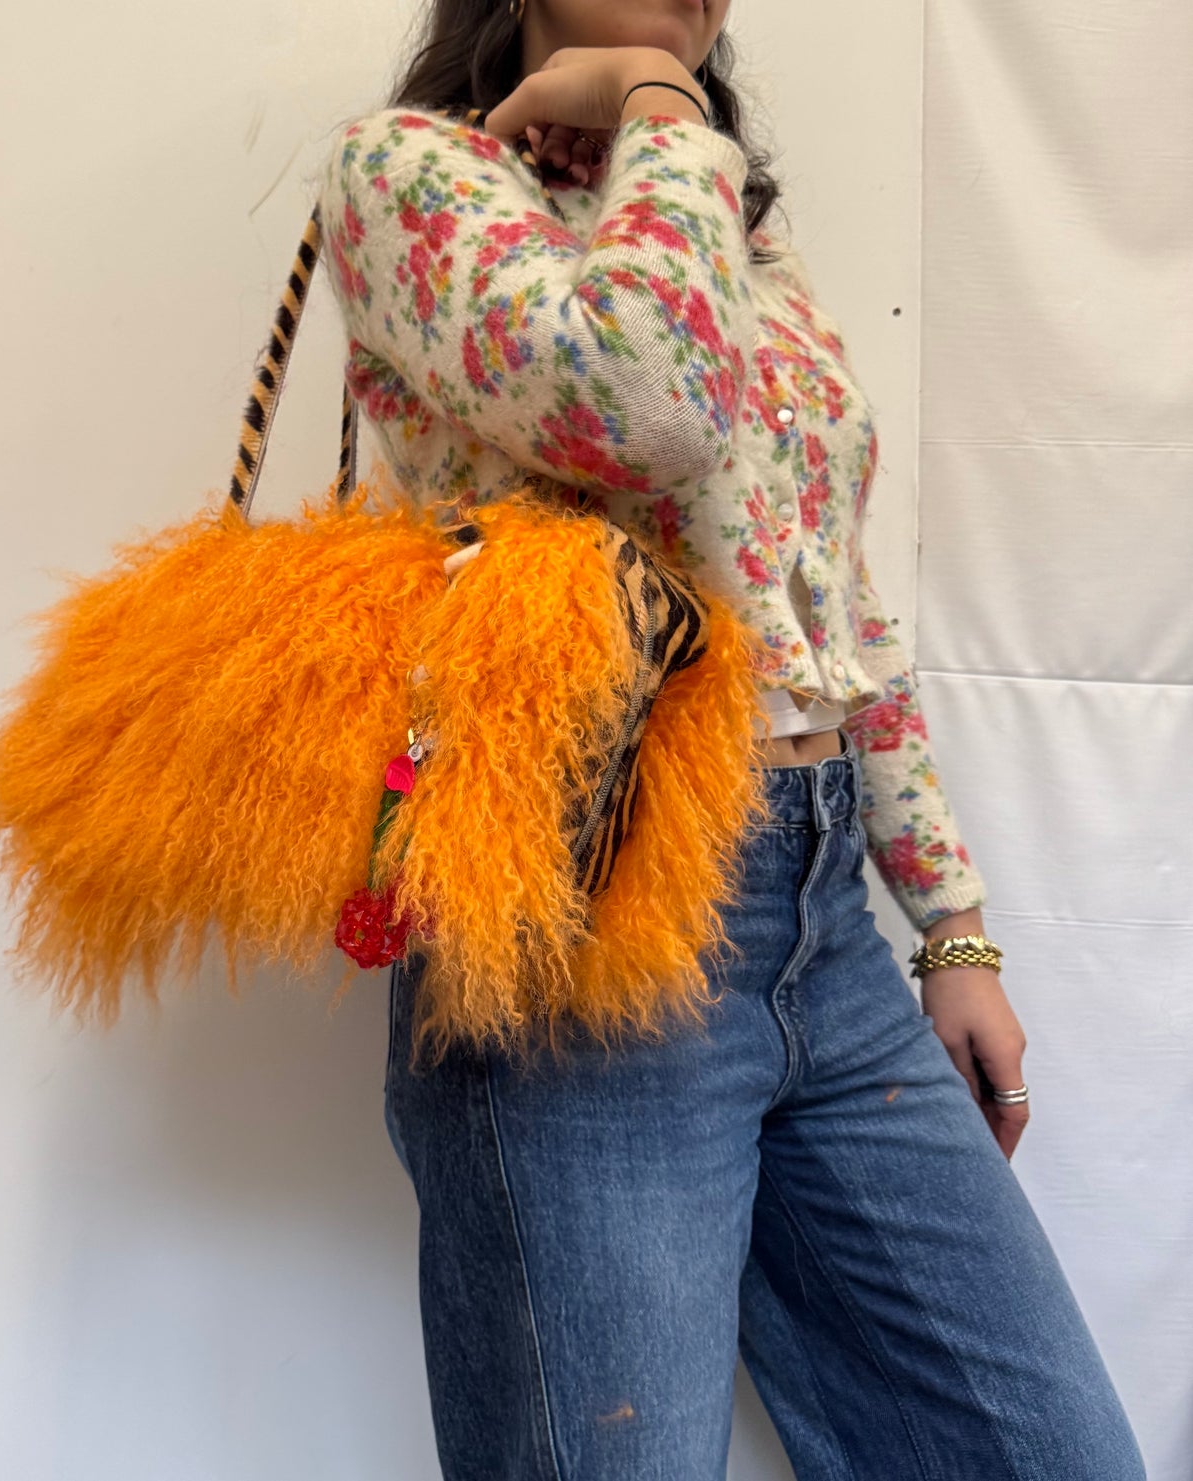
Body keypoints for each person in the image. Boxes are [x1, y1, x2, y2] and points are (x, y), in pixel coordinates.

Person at [317, 2, 1147, 1476]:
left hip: (818, 917)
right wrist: (657, 101)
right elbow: (647, 406)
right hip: (586, 922)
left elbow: (830, 589)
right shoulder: (415, 181)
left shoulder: (727, 227)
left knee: (1045, 1451)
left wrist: (947, 924)